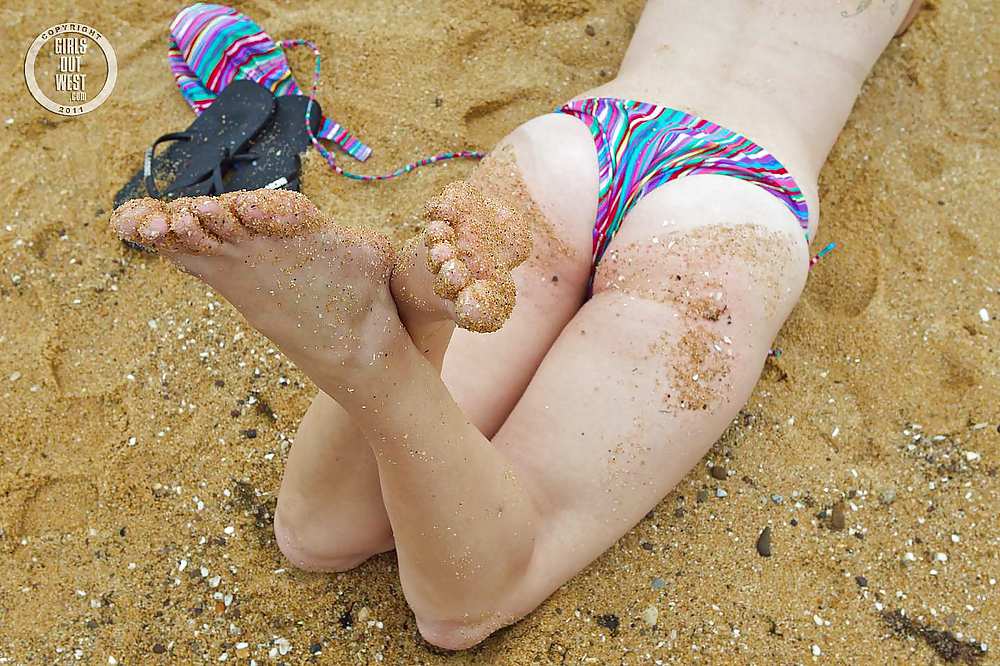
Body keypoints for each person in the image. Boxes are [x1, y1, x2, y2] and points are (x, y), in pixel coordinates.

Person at [111, 0, 923, 649]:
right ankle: (383, 367)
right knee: (465, 604)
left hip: (582, 141)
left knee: (314, 535)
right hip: (734, 199)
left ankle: (398, 338)